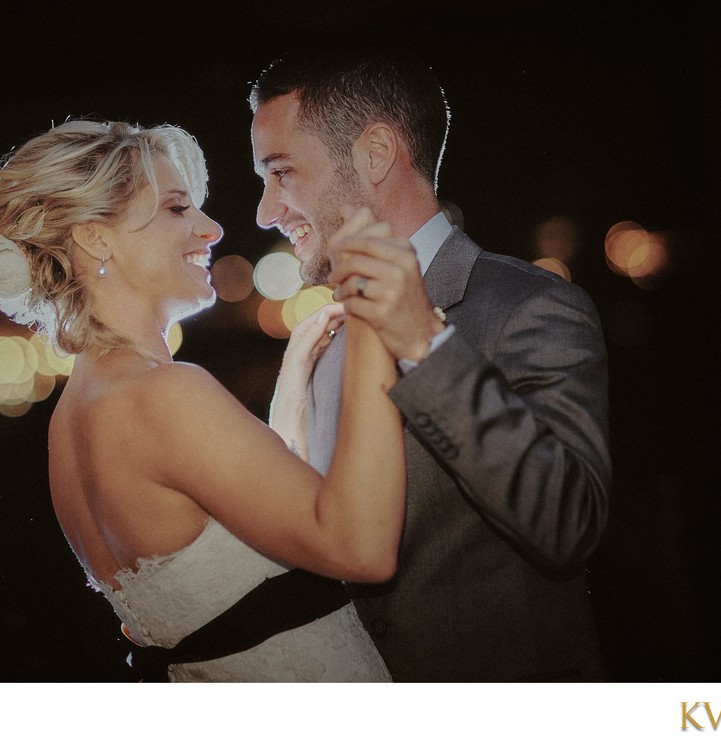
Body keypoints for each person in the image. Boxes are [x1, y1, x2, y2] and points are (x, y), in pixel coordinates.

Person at [0, 118, 406, 681]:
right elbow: (360, 547)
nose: (212, 229)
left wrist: (291, 386)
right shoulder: (164, 394)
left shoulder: (74, 418)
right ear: (96, 237)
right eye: (176, 209)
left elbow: (231, 569)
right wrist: (372, 319)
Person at [249, 49, 612, 681]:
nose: (265, 210)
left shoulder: (529, 306)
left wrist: (427, 345)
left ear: (375, 154)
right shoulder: (326, 339)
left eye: (281, 172)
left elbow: (567, 525)